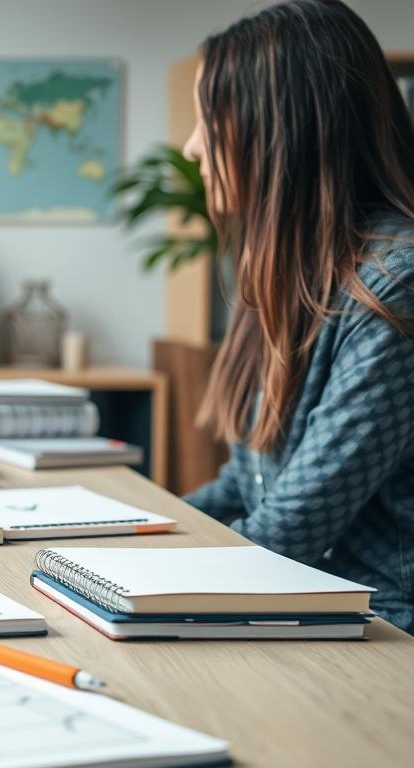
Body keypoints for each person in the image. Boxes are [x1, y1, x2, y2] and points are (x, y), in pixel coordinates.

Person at [182, 0, 414, 632]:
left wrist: (147, 575)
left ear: (279, 127)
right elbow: (248, 482)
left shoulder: (397, 282)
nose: (191, 144)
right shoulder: (285, 271)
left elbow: (289, 530)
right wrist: (124, 536)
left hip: (382, 627)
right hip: (309, 605)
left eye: (208, 118)